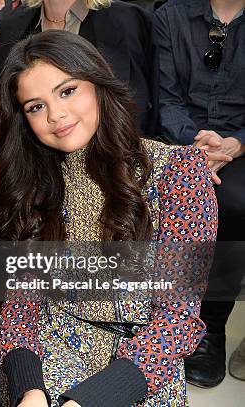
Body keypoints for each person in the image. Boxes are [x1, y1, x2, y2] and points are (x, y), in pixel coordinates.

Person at [0, 31, 217, 406]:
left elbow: (178, 319)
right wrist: (29, 389)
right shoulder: (31, 184)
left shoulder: (179, 174)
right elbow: (21, 307)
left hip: (144, 363)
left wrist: (86, 401)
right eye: (35, 106)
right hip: (53, 345)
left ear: (98, 83)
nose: (56, 115)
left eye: (67, 91)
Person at [154, 0, 245, 388]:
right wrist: (198, 147)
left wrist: (234, 145)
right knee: (163, 196)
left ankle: (210, 328)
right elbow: (167, 99)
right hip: (182, 137)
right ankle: (163, 318)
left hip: (239, 144)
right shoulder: (170, 15)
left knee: (235, 204)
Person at [0, 0, 157, 141]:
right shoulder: (12, 25)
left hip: (115, 158)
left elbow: (142, 107)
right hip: (37, 166)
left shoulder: (128, 20)